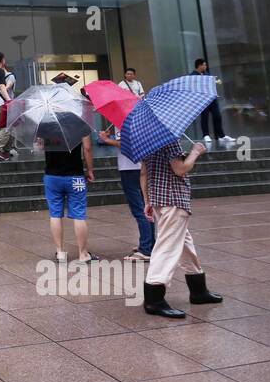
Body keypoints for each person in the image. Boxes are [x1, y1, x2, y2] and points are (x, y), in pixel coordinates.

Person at [139, 138, 222, 317]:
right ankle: (154, 299)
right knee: (166, 248)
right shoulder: (169, 141)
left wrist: (147, 200)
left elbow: (144, 173)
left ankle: (198, 291)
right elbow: (180, 169)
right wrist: (196, 152)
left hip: (159, 200)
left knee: (185, 245)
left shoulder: (147, 141)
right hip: (174, 200)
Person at [98, 124, 153, 261]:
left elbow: (126, 144)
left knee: (139, 209)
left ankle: (146, 249)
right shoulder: (139, 116)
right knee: (146, 206)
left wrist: (106, 140)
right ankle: (150, 243)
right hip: (141, 166)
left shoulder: (123, 119)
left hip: (130, 167)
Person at [43, 132, 97, 264]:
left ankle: (60, 253)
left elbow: (41, 145)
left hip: (52, 176)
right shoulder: (79, 123)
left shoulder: (47, 123)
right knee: (79, 214)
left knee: (55, 214)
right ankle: (83, 254)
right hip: (75, 176)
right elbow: (87, 148)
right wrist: (90, 170)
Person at [192, 59, 234, 146]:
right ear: (199, 66)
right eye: (204, 65)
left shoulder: (207, 74)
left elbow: (210, 83)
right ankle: (206, 135)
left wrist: (215, 82)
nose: (205, 67)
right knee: (205, 117)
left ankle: (221, 135)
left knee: (217, 115)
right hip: (202, 99)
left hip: (211, 98)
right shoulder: (192, 76)